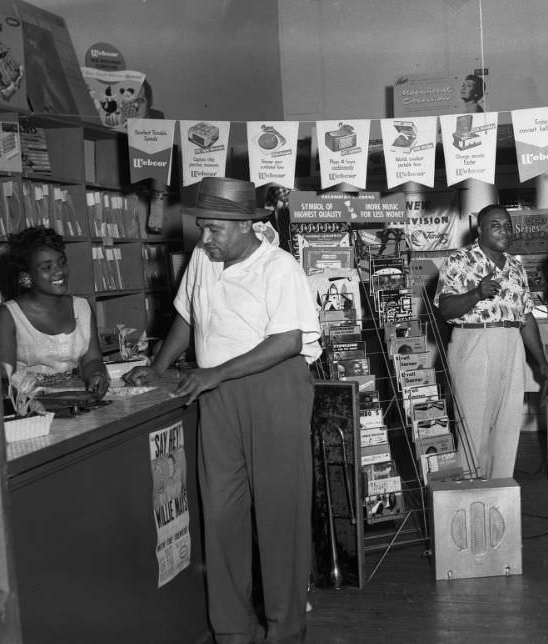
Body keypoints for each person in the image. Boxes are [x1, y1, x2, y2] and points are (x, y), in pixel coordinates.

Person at [124, 177, 321, 644]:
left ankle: (285, 628)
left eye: (214, 229)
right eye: (202, 228)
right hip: (218, 394)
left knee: (280, 514)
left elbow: (287, 341)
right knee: (221, 511)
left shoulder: (279, 267)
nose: (205, 238)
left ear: (247, 225)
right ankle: (233, 627)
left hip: (274, 390)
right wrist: (158, 367)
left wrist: (214, 374)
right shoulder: (203, 259)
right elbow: (187, 317)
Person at [435, 204, 548, 479]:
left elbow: (525, 317)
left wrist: (542, 364)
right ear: (480, 229)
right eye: (496, 225)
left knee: (507, 425)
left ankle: (499, 491)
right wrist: (477, 293)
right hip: (474, 342)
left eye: (508, 225)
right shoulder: (459, 260)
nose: (504, 231)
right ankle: (467, 494)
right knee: (473, 425)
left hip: (511, 343)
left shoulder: (515, 266)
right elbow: (446, 310)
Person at [0, 226, 108, 398]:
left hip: (76, 399)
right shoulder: (8, 315)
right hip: (30, 405)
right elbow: (6, 377)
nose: (59, 271)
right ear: (26, 276)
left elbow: (92, 360)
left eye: (62, 262)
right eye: (46, 267)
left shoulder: (82, 307)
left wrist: (97, 375)